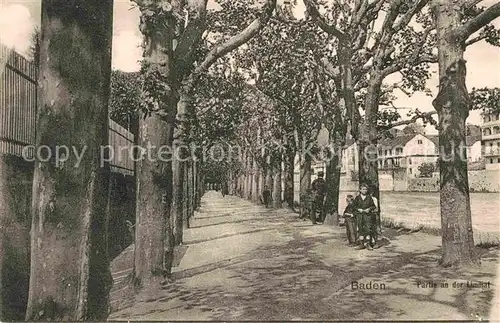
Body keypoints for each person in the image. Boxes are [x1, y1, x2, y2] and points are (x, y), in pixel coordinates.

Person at [352, 183, 378, 250]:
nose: (365, 191)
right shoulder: (357, 198)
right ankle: (361, 244)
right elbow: (353, 207)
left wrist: (369, 209)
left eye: (366, 189)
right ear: (360, 190)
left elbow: (373, 206)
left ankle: (368, 244)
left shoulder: (369, 198)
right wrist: (358, 209)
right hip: (360, 216)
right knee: (360, 229)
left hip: (367, 216)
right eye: (363, 189)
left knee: (368, 230)